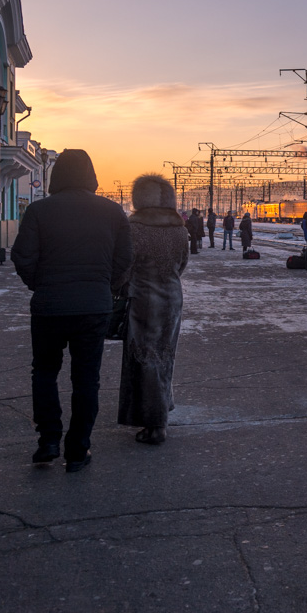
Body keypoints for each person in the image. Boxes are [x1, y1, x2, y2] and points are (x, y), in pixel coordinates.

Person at [11, 149, 132, 473]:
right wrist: (105, 286)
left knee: (45, 372)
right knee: (86, 379)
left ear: (56, 175)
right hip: (93, 308)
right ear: (91, 175)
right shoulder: (112, 212)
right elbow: (125, 259)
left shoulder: (39, 211)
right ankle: (78, 450)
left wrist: (42, 284)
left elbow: (21, 256)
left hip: (50, 308)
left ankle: (48, 441)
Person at [117, 174, 188, 447]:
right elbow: (181, 265)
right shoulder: (179, 229)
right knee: (164, 356)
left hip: (143, 299)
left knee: (144, 358)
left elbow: (125, 268)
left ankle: (155, 424)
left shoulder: (134, 229)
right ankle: (160, 410)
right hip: (172, 298)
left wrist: (121, 288)